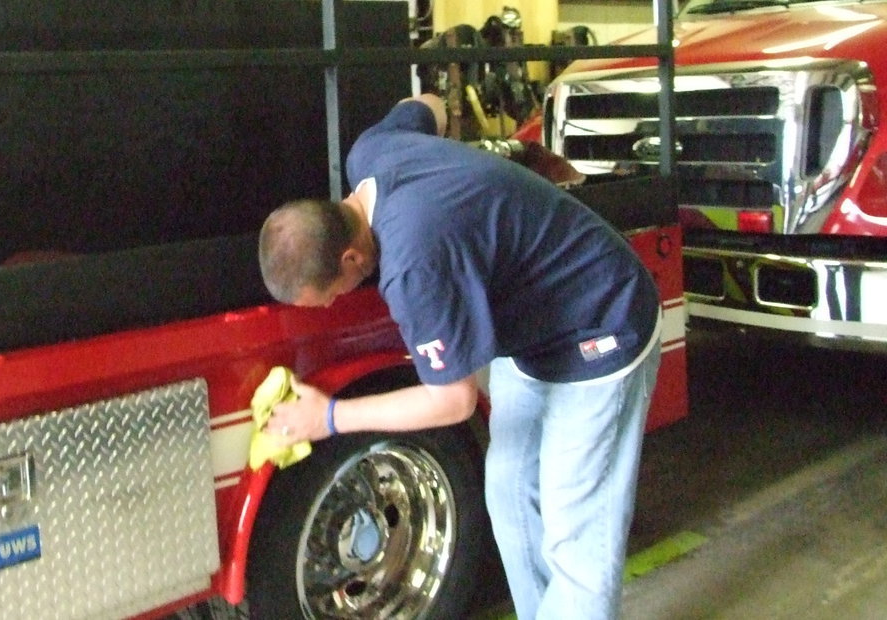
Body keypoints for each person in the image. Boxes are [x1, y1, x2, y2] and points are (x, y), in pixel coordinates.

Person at [258, 93, 661, 620]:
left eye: (330, 292)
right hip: (536, 334)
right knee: (511, 499)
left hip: (600, 324)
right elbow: (428, 102)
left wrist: (329, 417)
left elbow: (453, 401)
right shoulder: (371, 153)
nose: (335, 302)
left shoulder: (414, 266)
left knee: (574, 534)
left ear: (351, 256)